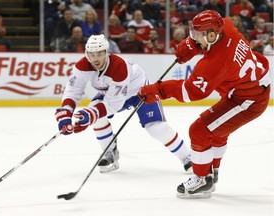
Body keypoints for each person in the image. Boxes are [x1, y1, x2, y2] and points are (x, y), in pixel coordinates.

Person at [138, 10, 270, 198]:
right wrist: (193, 45)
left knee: (199, 130)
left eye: (198, 35)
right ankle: (211, 171)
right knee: (216, 132)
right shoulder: (226, 27)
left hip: (249, 100)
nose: (194, 37)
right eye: (194, 33)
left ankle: (202, 179)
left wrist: (157, 90)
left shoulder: (215, 63)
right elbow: (216, 27)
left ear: (212, 34)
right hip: (248, 89)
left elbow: (190, 92)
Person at [55, 34, 192, 174]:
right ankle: (110, 153)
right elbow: (73, 89)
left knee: (156, 128)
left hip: (141, 91)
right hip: (112, 92)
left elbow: (113, 104)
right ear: (86, 54)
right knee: (96, 117)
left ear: (106, 53)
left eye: (100, 54)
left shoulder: (119, 66)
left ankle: (187, 157)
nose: (95, 58)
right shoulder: (82, 66)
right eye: (92, 54)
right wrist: (65, 113)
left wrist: (91, 114)